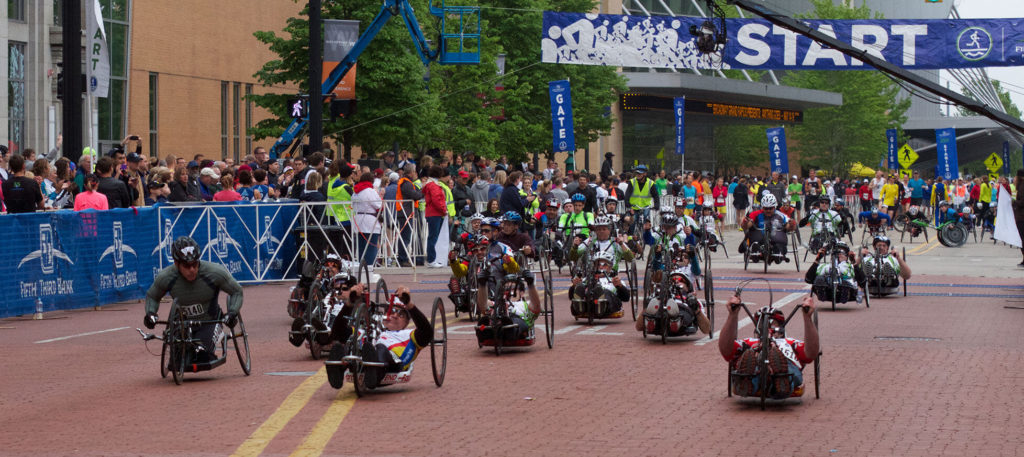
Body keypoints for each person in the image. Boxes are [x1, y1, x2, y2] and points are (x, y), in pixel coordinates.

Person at [143, 236, 244, 366]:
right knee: (177, 363)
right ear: (176, 263)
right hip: (182, 324)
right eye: (186, 266)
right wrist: (151, 314)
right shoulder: (166, 277)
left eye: (195, 264)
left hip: (209, 321)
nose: (192, 270)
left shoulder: (214, 272)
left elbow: (237, 291)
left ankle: (205, 348)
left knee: (203, 356)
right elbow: (152, 296)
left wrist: (232, 313)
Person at [324, 285, 433, 390]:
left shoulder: (409, 335)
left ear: (406, 322)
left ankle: (373, 370)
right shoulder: (368, 330)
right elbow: (338, 332)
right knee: (344, 344)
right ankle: (337, 370)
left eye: (401, 314)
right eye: (392, 311)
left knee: (380, 347)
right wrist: (349, 303)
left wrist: (409, 304)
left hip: (390, 365)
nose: (395, 315)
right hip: (361, 360)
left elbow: (427, 332)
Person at [719, 294, 819, 399]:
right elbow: (726, 350)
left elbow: (811, 353)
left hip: (786, 366)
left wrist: (807, 317)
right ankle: (746, 380)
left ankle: (780, 379)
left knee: (787, 370)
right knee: (750, 363)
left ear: (781, 329)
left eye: (772, 323)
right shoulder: (749, 342)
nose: (767, 327)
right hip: (754, 365)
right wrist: (732, 315)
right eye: (762, 324)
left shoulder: (789, 342)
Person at [474, 243, 542, 346]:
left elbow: (536, 306)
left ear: (522, 293)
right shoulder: (495, 303)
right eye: (506, 288)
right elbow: (483, 305)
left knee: (514, 323)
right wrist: (482, 284)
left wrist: (531, 284)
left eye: (513, 290)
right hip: (495, 321)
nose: (509, 291)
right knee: (485, 321)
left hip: (516, 324)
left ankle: (506, 324)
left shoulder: (524, 305)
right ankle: (492, 327)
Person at [635, 259, 710, 335]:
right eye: (673, 280)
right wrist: (646, 307)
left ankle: (675, 320)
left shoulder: (693, 301)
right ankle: (650, 320)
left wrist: (696, 309)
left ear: (687, 286)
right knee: (654, 308)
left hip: (682, 311)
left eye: (680, 280)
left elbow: (707, 330)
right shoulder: (660, 297)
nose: (676, 282)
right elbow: (638, 327)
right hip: (661, 310)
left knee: (683, 314)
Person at [568, 250, 631, 318]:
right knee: (580, 288)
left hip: (608, 305)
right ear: (594, 267)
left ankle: (600, 306)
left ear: (610, 267)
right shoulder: (586, 279)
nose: (601, 267)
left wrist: (620, 286)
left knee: (605, 292)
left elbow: (626, 298)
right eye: (598, 265)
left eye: (604, 265)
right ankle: (579, 307)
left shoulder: (615, 280)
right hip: (589, 303)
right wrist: (574, 286)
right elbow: (571, 297)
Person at [739, 194, 795, 262]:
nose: (768, 210)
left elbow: (788, 226)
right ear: (762, 207)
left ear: (775, 207)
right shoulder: (755, 214)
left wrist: (791, 225)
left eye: (770, 208)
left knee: (779, 245)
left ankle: (778, 251)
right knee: (755, 241)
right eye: (766, 208)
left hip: (776, 239)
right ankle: (756, 250)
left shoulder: (781, 215)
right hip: (760, 239)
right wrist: (745, 222)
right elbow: (747, 226)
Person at [351, 171, 383, 268]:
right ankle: (369, 268)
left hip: (359, 219)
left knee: (361, 247)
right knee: (371, 246)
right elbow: (379, 205)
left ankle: (361, 268)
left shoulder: (356, 191)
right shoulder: (370, 191)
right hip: (370, 220)